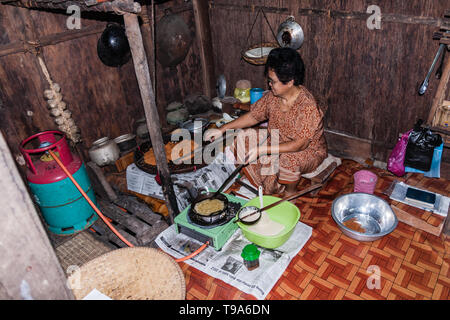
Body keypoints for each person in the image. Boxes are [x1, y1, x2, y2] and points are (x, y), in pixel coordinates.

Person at [205, 47, 327, 196]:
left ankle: (290, 192)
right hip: (278, 140)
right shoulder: (273, 97)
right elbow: (253, 116)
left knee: (288, 160)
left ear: (289, 82)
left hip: (308, 150)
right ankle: (261, 178)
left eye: (273, 81)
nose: (269, 84)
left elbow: (300, 144)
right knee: (244, 136)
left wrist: (263, 150)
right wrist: (222, 129)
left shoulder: (307, 106)